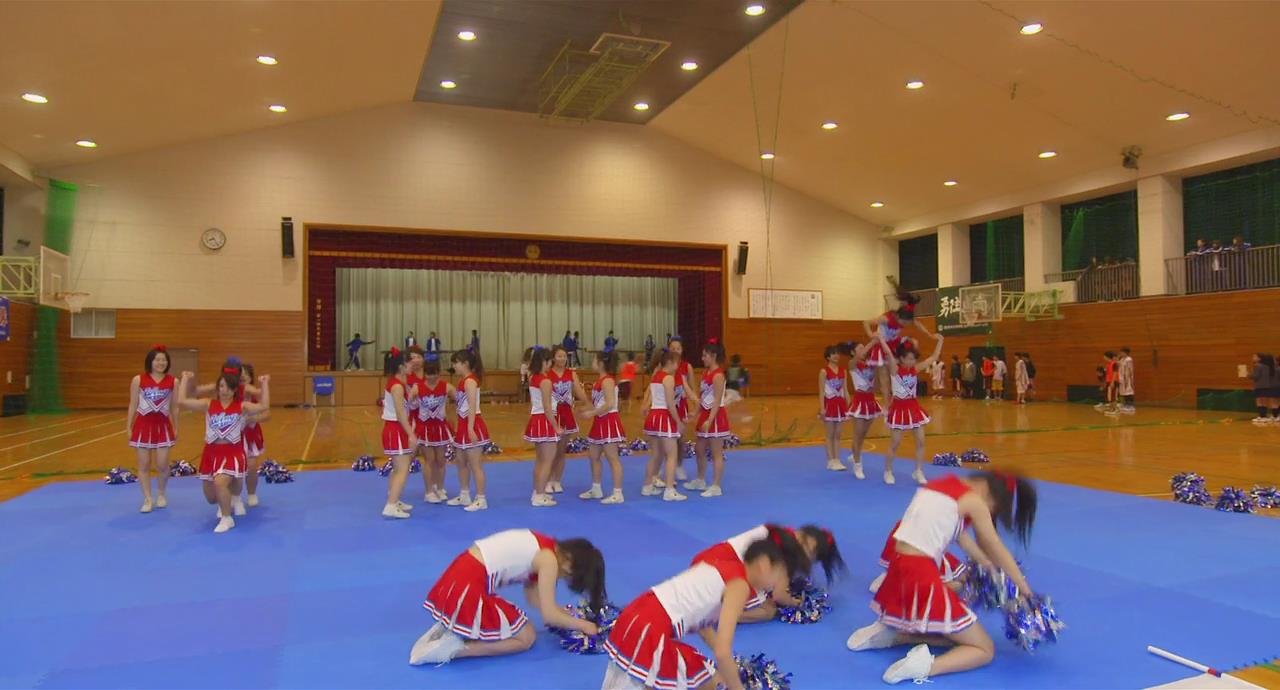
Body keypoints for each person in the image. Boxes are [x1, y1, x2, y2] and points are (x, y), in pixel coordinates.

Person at [846, 471, 1037, 685]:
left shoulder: (939, 487)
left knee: (950, 637)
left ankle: (893, 636)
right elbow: (993, 545)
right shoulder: (973, 501)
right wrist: (1026, 591)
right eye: (994, 508)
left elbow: (963, 538)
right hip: (920, 573)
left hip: (898, 568)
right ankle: (923, 666)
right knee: (984, 648)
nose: (990, 511)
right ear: (994, 496)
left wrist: (988, 568)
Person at [601, 540, 789, 690]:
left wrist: (731, 664)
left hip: (635, 616)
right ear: (764, 565)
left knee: (700, 674)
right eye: (779, 574)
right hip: (650, 629)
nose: (777, 583)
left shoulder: (720, 566)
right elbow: (722, 652)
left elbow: (702, 623)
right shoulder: (739, 585)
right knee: (707, 680)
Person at [411, 529, 606, 666]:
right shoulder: (549, 560)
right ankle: (453, 650)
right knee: (526, 637)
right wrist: (584, 625)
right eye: (571, 575)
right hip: (468, 589)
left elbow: (534, 598)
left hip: (457, 580)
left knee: (519, 624)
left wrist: (564, 613)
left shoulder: (544, 546)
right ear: (570, 562)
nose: (565, 578)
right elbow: (549, 616)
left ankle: (455, 626)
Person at [175, 367, 270, 533]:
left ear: (234, 390)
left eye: (228, 387)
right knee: (211, 498)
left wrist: (265, 383)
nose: (224, 390)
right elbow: (182, 402)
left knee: (220, 482)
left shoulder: (241, 406)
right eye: (221, 386)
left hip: (233, 452)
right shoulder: (208, 404)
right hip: (211, 453)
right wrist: (184, 379)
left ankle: (227, 518)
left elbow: (264, 406)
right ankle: (230, 496)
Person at [691, 524, 844, 623]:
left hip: (703, 562)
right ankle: (723, 616)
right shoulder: (787, 555)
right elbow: (779, 596)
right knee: (768, 611)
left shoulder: (779, 532)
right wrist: (796, 603)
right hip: (718, 573)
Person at [883, 334, 945, 485]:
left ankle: (918, 470)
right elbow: (889, 353)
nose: (912, 361)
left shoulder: (915, 369)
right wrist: (881, 340)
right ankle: (888, 471)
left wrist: (940, 340)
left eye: (913, 359)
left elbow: (933, 357)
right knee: (895, 443)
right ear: (901, 358)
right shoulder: (895, 369)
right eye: (909, 359)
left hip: (914, 408)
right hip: (899, 409)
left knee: (921, 441)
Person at [127, 345, 177, 513]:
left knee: (162, 464)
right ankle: (148, 498)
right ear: (150, 361)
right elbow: (133, 404)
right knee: (144, 464)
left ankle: (161, 493)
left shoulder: (173, 381)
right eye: (157, 360)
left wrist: (176, 427)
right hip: (143, 425)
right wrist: (128, 426)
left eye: (164, 360)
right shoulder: (138, 380)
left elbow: (175, 407)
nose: (161, 363)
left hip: (163, 426)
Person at [865, 278, 930, 404]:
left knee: (913, 343)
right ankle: (886, 404)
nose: (904, 325)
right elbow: (866, 322)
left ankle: (902, 394)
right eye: (903, 323)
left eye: (907, 323)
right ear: (898, 317)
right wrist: (871, 335)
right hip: (882, 345)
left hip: (894, 344)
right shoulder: (886, 319)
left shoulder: (906, 314)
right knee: (884, 378)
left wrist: (929, 334)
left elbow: (917, 323)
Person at [580, 350, 626, 504]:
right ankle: (596, 488)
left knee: (612, 458)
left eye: (594, 360)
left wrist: (592, 413)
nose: (592, 362)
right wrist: (587, 410)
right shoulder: (599, 381)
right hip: (599, 421)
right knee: (593, 455)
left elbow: (610, 403)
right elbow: (600, 403)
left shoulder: (607, 381)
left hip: (609, 421)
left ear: (600, 363)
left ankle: (618, 493)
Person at [687, 340, 730, 497]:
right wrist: (695, 413)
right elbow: (703, 396)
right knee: (699, 448)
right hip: (705, 414)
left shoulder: (718, 375)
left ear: (713, 356)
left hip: (715, 416)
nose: (702, 358)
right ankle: (701, 479)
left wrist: (710, 420)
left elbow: (717, 401)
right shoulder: (706, 373)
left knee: (716, 452)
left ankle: (716, 485)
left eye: (705, 355)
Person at [641, 350, 684, 501]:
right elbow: (670, 404)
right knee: (672, 455)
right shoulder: (668, 378)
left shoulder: (655, 377)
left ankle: (647, 486)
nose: (678, 366)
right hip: (664, 416)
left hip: (653, 416)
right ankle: (669, 490)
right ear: (670, 362)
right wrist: (678, 421)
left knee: (655, 455)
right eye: (677, 362)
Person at [380, 349, 419, 519]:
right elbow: (400, 413)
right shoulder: (396, 386)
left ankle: (394, 500)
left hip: (397, 428)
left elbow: (405, 407)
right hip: (396, 428)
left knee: (398, 469)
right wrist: (411, 434)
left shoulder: (400, 383)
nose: (413, 365)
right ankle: (390, 506)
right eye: (410, 363)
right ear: (402, 366)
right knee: (403, 469)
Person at [449, 349, 489, 511]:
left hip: (472, 425)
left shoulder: (470, 381)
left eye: (455, 363)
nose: (454, 366)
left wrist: (471, 428)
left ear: (465, 364)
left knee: (475, 464)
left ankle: (481, 498)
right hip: (463, 425)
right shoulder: (463, 381)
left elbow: (472, 406)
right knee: (461, 461)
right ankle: (464, 494)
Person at [545, 345, 586, 495]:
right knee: (551, 451)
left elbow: (579, 392)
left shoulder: (571, 374)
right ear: (553, 358)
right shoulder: (547, 374)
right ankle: (547, 480)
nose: (562, 359)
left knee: (561, 451)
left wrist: (588, 404)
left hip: (567, 414)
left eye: (564, 356)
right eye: (559, 356)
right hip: (552, 414)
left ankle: (557, 480)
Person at [524, 347, 562, 508]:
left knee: (540, 460)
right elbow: (547, 407)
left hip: (537, 419)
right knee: (547, 461)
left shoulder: (533, 377)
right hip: (545, 420)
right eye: (550, 362)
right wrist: (556, 426)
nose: (551, 365)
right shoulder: (545, 381)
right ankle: (539, 496)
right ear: (545, 362)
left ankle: (537, 492)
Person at [416, 356, 455, 503]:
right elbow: (406, 404)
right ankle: (428, 492)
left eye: (434, 374)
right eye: (428, 374)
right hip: (425, 428)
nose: (431, 377)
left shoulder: (447, 387)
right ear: (424, 373)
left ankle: (440, 488)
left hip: (440, 427)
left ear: (439, 372)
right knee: (429, 460)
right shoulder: (417, 388)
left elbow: (462, 399)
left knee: (441, 460)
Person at [846, 337, 884, 480]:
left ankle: (854, 454)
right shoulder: (852, 364)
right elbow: (858, 358)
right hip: (859, 401)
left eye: (864, 347)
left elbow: (876, 386)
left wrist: (878, 371)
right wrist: (872, 342)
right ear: (852, 352)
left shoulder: (870, 365)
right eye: (860, 348)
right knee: (857, 434)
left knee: (862, 435)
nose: (864, 350)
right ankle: (858, 465)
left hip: (871, 401)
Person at [239, 362, 270, 507]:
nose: (243, 376)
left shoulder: (254, 396)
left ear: (250, 378)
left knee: (251, 466)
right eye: (240, 374)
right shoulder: (229, 394)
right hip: (233, 436)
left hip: (250, 434)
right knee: (234, 468)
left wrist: (253, 419)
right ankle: (234, 496)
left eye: (246, 374)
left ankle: (251, 493)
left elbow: (267, 414)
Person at [819, 344, 851, 472]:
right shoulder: (824, 372)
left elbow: (846, 390)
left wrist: (849, 406)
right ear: (828, 357)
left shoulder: (843, 371)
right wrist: (822, 408)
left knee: (838, 434)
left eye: (837, 353)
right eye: (833, 353)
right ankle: (830, 461)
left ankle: (837, 459)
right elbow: (821, 391)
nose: (836, 355)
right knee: (830, 434)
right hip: (829, 404)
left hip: (840, 405)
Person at [1248, 353, 1278, 424]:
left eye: (1255, 356)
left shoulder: (1257, 366)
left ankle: (1262, 416)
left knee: (1259, 401)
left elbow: (1256, 376)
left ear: (1259, 358)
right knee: (1264, 401)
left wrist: (1248, 374)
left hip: (1259, 386)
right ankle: (1264, 416)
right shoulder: (1267, 366)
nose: (1253, 357)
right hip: (1266, 386)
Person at [1112, 346, 1136, 415]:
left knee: (1128, 391)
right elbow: (1117, 364)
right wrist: (1117, 358)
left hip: (1127, 378)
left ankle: (1131, 406)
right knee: (1123, 392)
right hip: (1121, 378)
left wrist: (1129, 378)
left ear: (1126, 352)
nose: (1121, 353)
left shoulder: (1129, 359)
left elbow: (1130, 369)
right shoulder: (1122, 359)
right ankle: (1126, 405)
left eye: (1122, 352)